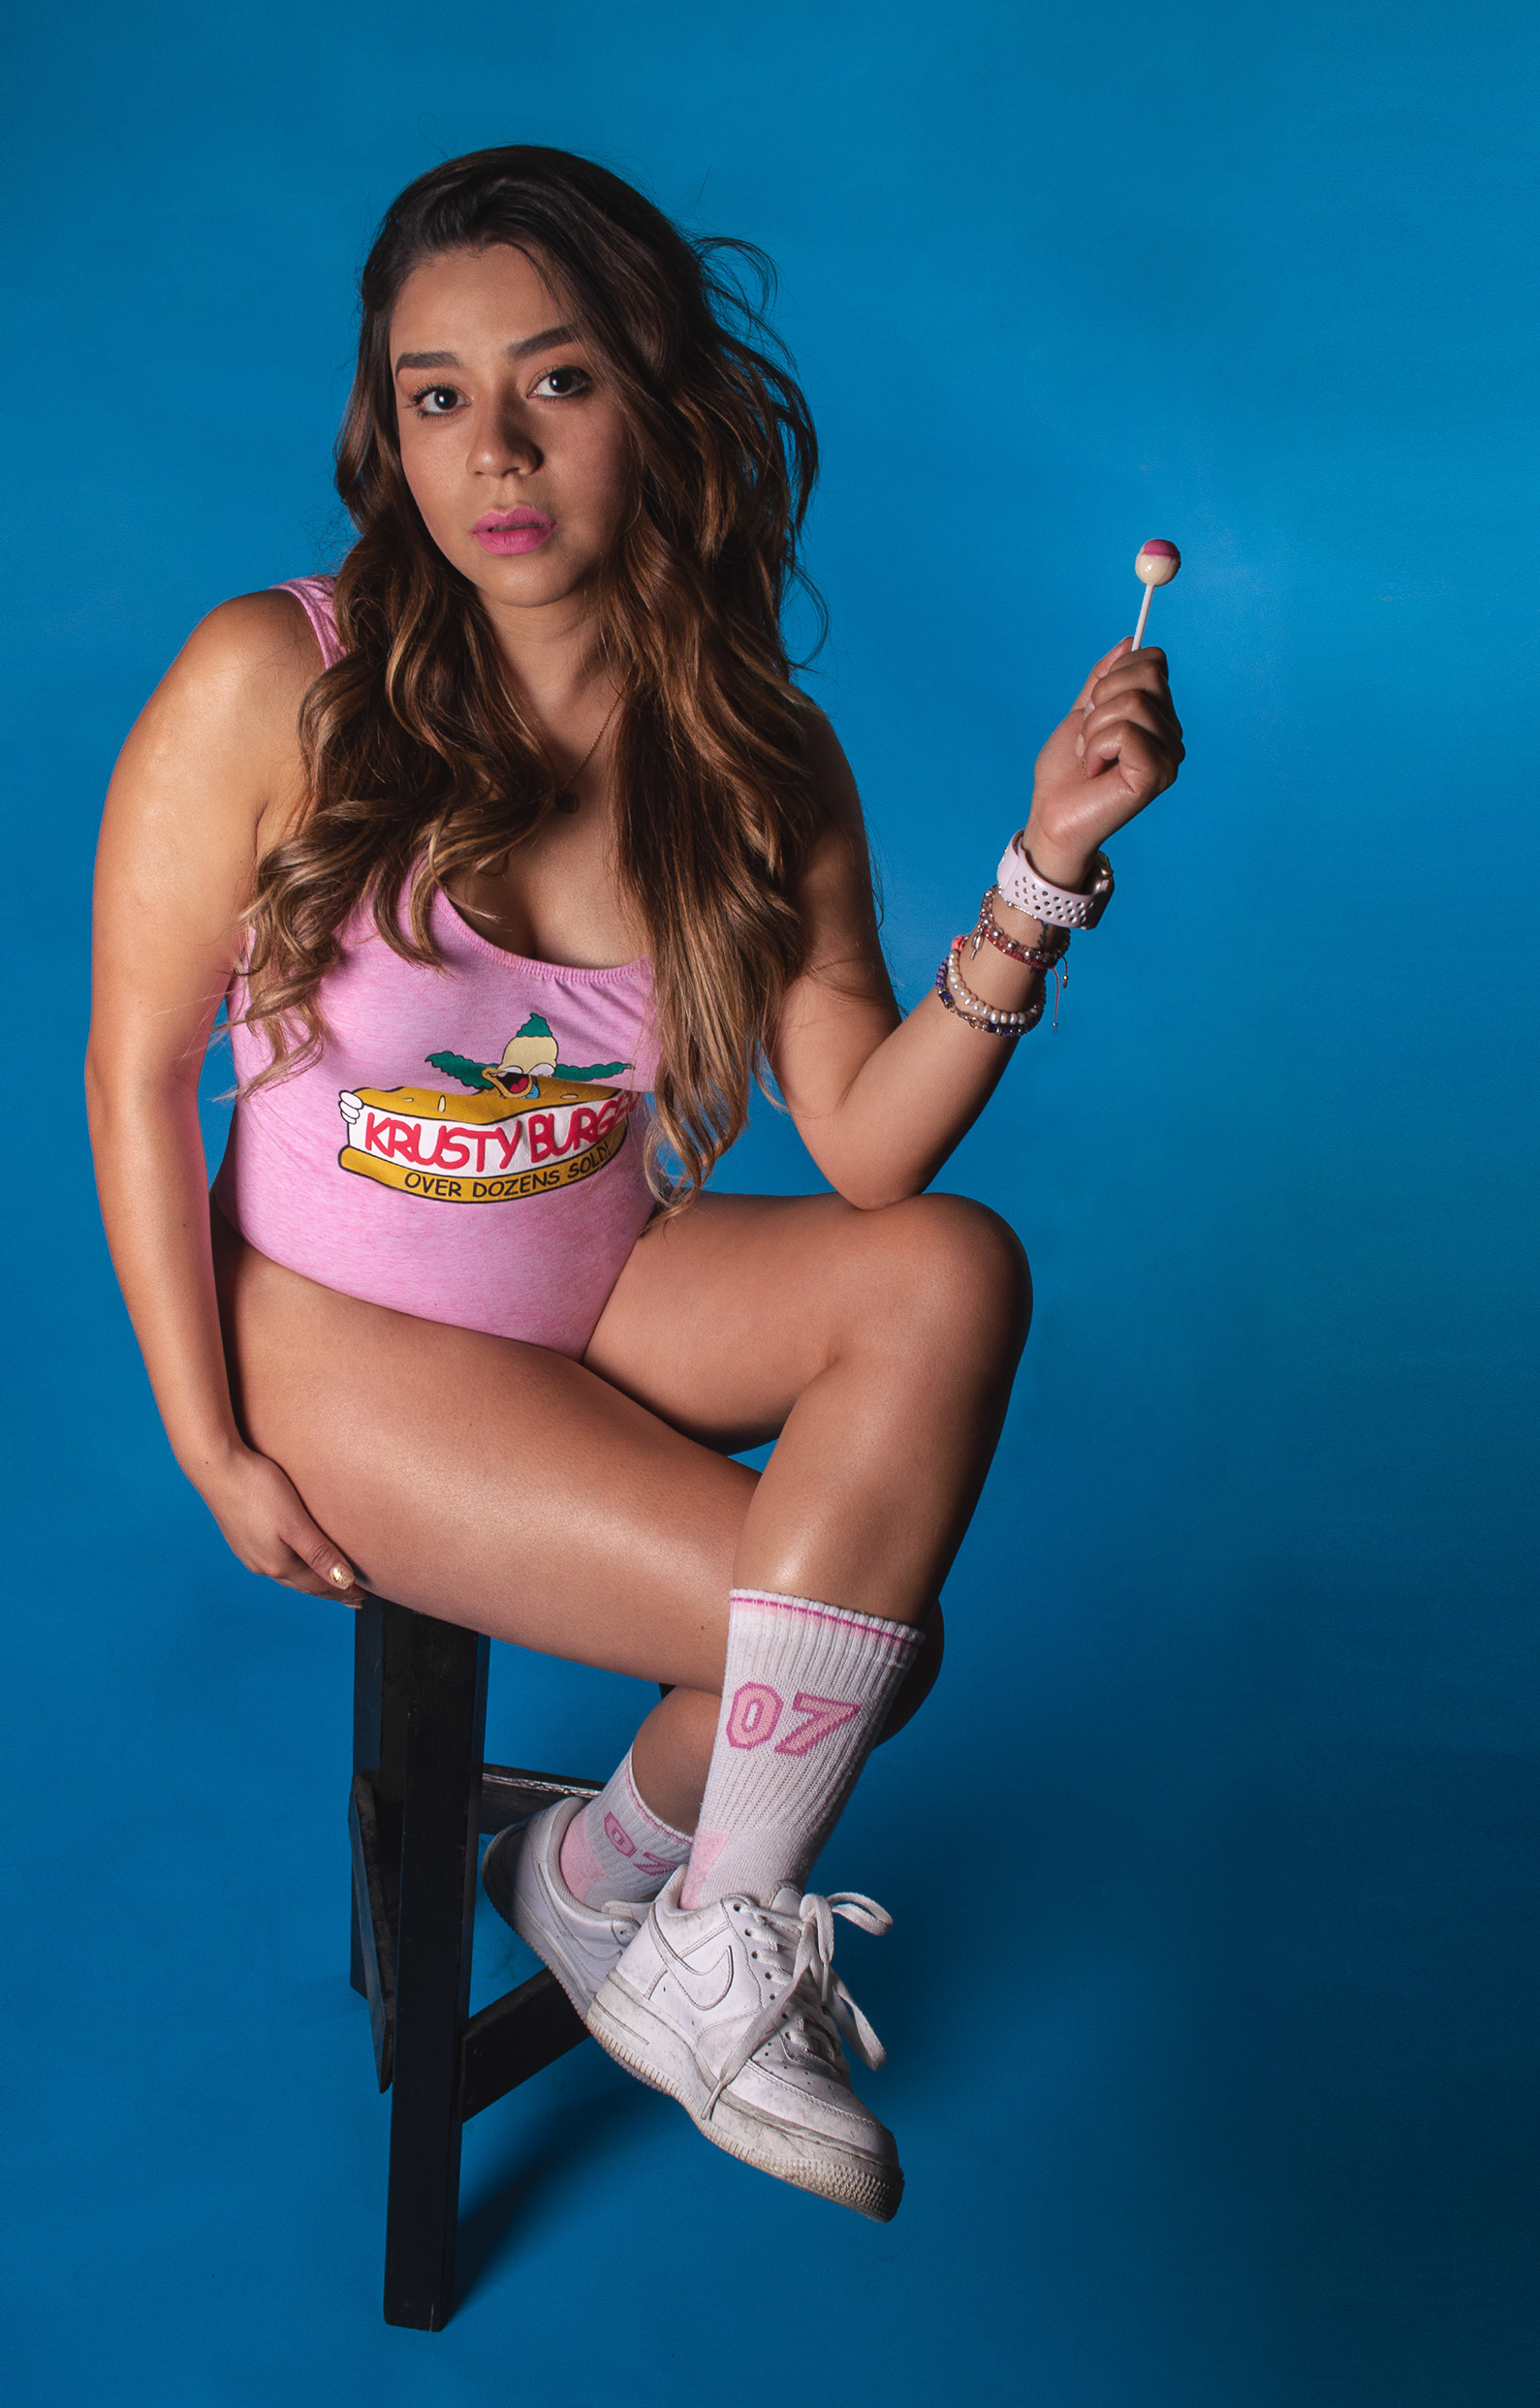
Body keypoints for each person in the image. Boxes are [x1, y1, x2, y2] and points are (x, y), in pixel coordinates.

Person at [85, 145, 1183, 2225]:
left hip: (591, 1275)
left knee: (950, 1270)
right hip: (343, 1335)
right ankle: (626, 1889)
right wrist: (209, 1442)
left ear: (656, 402)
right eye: (436, 394)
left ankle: (666, 1906)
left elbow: (866, 1141)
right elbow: (135, 1080)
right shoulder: (270, 680)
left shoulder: (757, 753)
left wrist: (1044, 869)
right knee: (854, 1650)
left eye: (556, 381)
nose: (491, 452)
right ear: (387, 423)